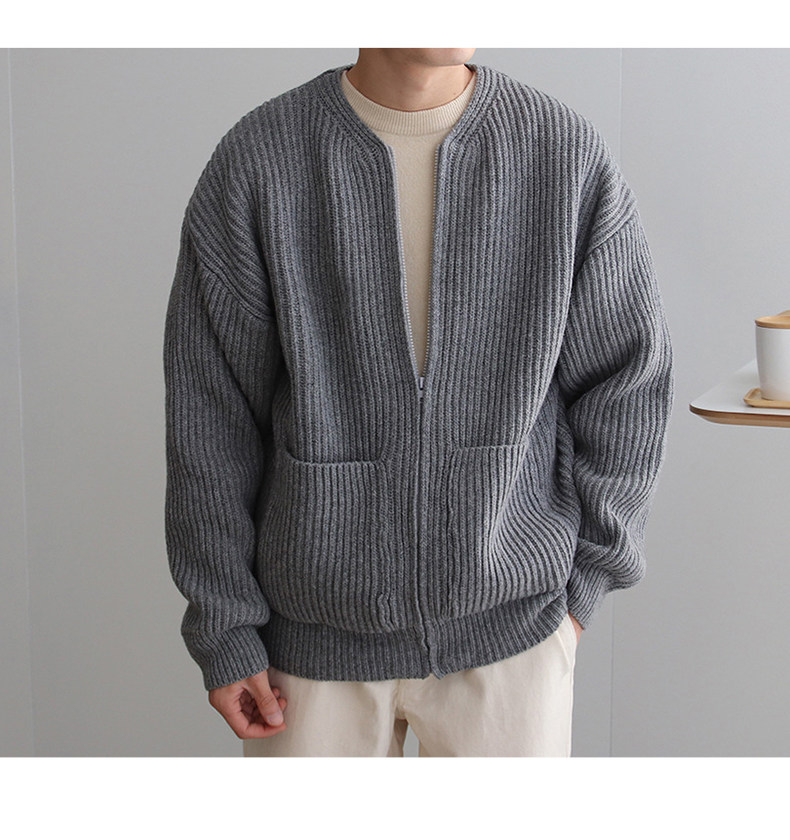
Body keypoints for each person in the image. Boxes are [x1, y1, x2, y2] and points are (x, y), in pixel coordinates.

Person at [162, 48, 674, 757]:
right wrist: (224, 624)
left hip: (513, 641)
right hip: (306, 652)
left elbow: (629, 382)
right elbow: (209, 418)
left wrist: (584, 588)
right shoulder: (261, 160)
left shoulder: (562, 154)